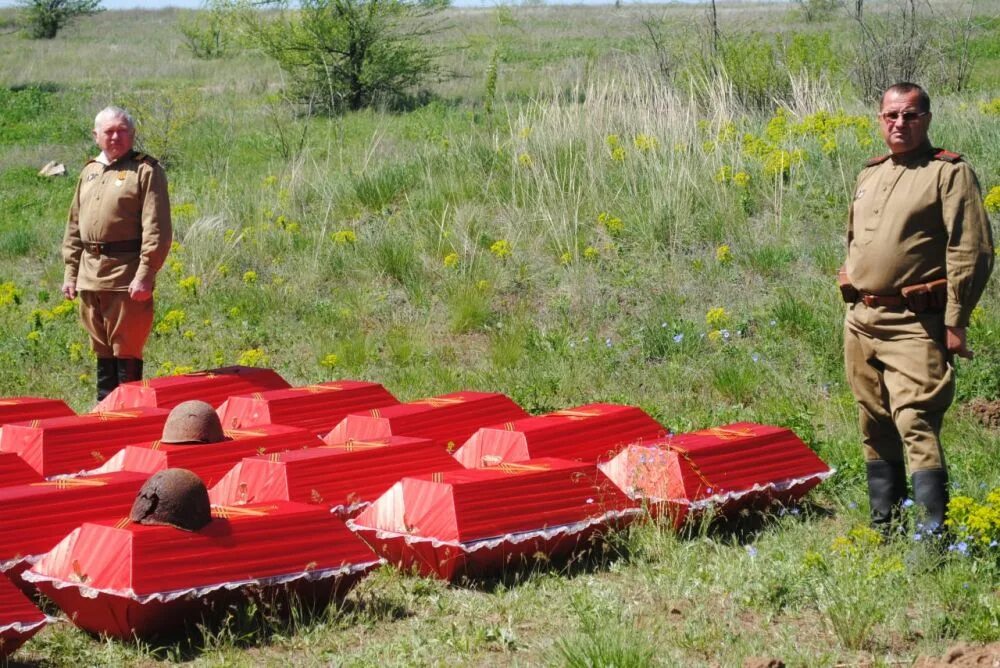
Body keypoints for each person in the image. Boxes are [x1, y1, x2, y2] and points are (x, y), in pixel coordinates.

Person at [841, 82, 994, 536]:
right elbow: (855, 236)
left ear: (926, 119)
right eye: (891, 116)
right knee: (874, 422)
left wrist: (956, 321)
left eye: (909, 115)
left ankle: (932, 537)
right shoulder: (871, 172)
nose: (899, 124)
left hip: (915, 324)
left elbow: (972, 250)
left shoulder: (948, 172)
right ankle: (884, 526)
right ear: (880, 119)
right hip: (862, 320)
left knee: (915, 420)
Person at [61, 107, 172, 401]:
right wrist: (71, 273)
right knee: (101, 347)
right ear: (96, 136)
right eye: (108, 131)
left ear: (132, 134)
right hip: (89, 274)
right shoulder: (89, 172)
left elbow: (157, 228)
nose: (115, 136)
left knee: (127, 347)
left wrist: (146, 274)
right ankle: (103, 411)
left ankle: (129, 413)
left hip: (127, 274)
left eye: (122, 130)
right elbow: (74, 226)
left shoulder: (146, 171)